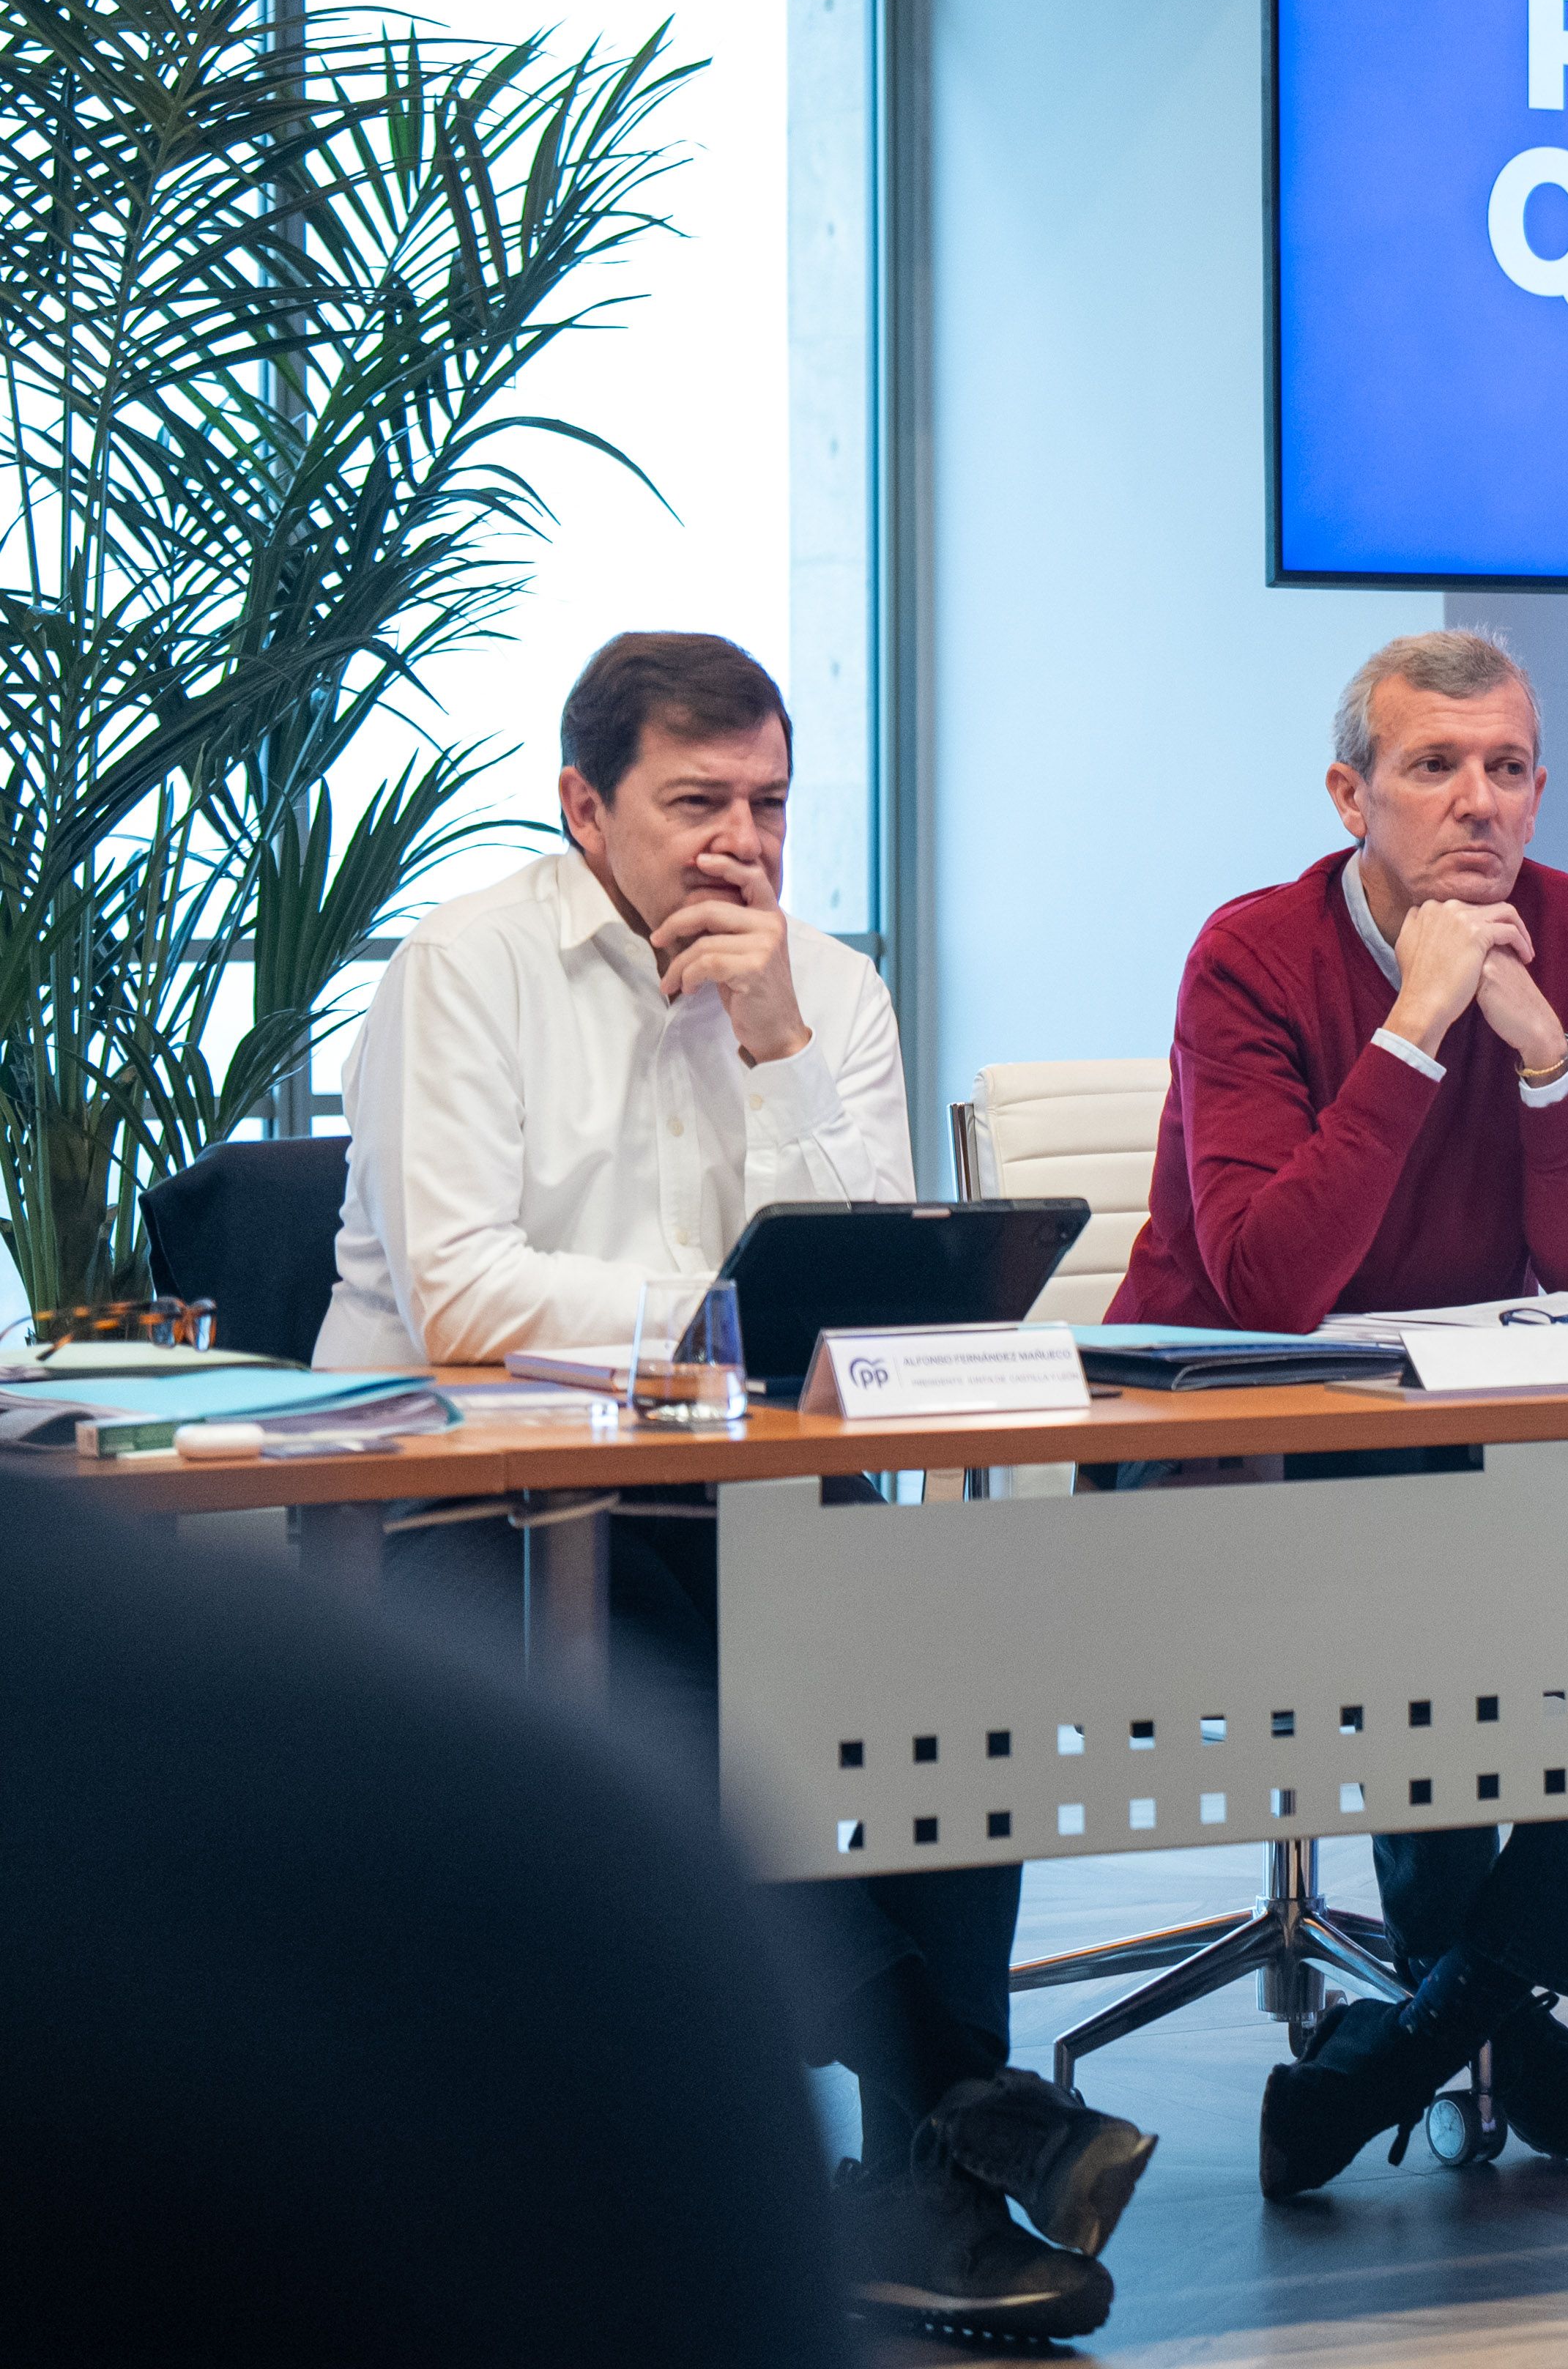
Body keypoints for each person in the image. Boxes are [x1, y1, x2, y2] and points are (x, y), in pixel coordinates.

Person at [319, 631, 1153, 2342]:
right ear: (584, 805)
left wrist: (775, 1046)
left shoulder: (825, 987)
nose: (739, 841)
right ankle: (973, 2118)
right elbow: (468, 1292)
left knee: (955, 1676)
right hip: (481, 1494)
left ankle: (924, 2168)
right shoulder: (461, 968)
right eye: (695, 800)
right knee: (685, 1711)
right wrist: (721, 1323)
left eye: (767, 801)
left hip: (750, 1486)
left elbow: (888, 1275)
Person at [1111, 629, 1568, 2191]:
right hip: (1229, 1456)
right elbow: (1273, 1280)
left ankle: (1427, 2027)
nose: (1477, 805)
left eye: (1507, 770)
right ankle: (1483, 2014)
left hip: (1456, 1446)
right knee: (1438, 1602)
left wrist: (1547, 1056)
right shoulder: (1250, 953)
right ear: (1351, 793)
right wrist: (1415, 1026)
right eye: (1434, 767)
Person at [1, 1473, 852, 2368]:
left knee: (933, 1627)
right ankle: (949, 2097)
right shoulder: (549, 1837)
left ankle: (946, 2127)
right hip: (479, 1497)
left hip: (708, 1483)